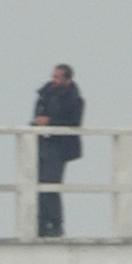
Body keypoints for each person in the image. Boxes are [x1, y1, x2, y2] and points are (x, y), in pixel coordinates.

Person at [32, 64, 85, 236]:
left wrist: (50, 122)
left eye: (57, 77)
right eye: (53, 76)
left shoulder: (76, 100)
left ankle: (55, 224)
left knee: (51, 185)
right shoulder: (44, 95)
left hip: (60, 147)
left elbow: (73, 123)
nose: (52, 80)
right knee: (38, 184)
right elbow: (37, 117)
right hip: (42, 144)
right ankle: (40, 223)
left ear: (67, 80)